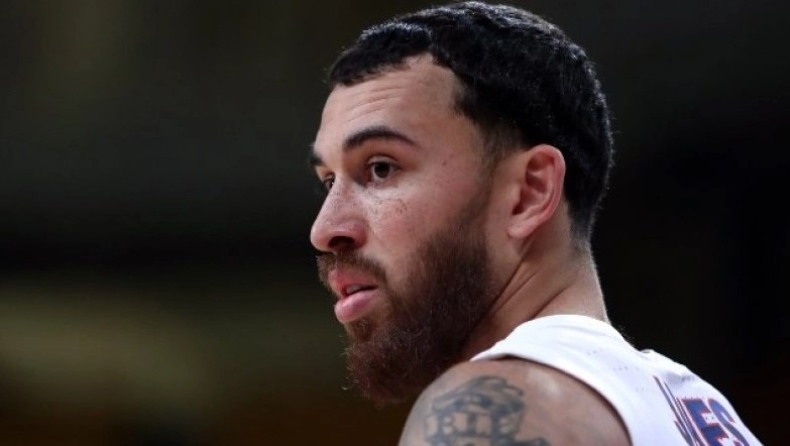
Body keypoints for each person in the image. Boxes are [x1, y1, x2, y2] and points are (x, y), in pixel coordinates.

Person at [308, 2, 762, 445]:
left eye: (381, 168)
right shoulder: (702, 411)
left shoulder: (488, 408)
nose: (325, 229)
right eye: (329, 181)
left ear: (529, 192)